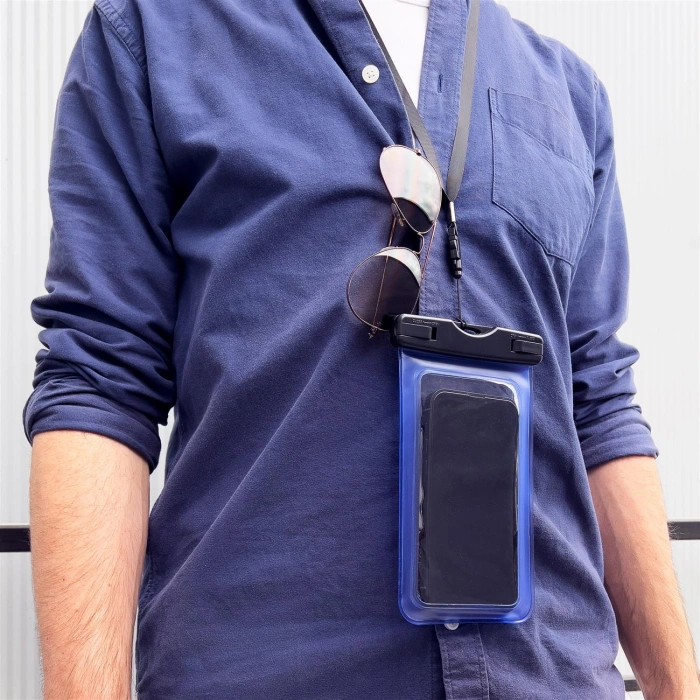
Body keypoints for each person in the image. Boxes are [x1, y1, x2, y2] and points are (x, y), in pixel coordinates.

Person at [22, 0, 699, 698]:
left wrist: (679, 685)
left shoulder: (568, 91)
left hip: (550, 677)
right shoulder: (156, 32)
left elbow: (598, 402)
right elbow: (100, 380)